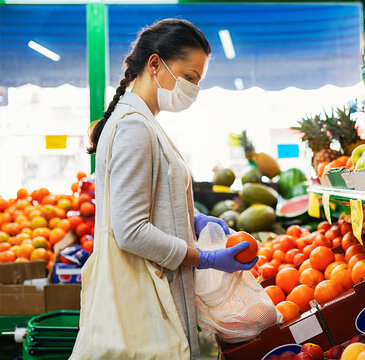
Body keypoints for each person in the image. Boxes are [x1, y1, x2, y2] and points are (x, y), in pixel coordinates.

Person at [79, 19, 257, 359]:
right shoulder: (134, 127)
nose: (192, 89)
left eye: (198, 81)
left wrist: (193, 219)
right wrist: (204, 258)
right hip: (147, 301)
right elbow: (130, 231)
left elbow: (147, 203)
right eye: (189, 77)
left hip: (156, 295)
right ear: (156, 64)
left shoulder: (142, 121)